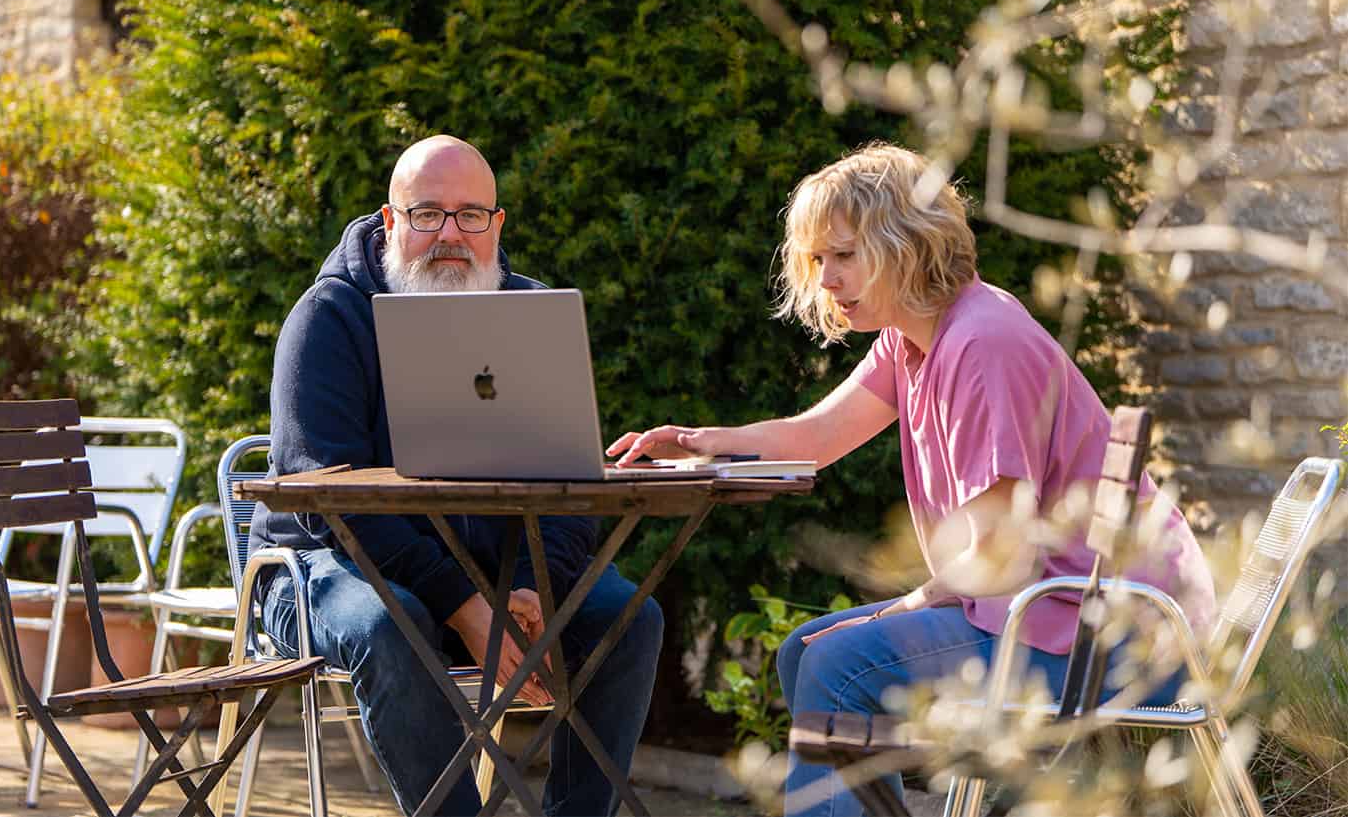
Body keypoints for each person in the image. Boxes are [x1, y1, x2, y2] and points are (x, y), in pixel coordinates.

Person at [607, 142, 1216, 816]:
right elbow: (815, 437)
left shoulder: (982, 341)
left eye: (844, 255)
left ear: (907, 243)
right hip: (1053, 612)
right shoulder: (913, 339)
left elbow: (999, 547)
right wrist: (697, 441)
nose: (827, 279)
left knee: (836, 666)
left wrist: (908, 603)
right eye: (818, 259)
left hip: (1115, 643)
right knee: (799, 654)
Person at [249, 134, 664, 816]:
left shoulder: (534, 316)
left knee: (627, 616)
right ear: (390, 221)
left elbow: (569, 480)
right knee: (395, 623)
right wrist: (463, 606)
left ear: (496, 226)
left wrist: (533, 584)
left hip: (492, 577)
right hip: (317, 573)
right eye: (426, 214)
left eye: (471, 215)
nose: (450, 234)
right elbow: (324, 501)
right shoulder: (328, 318)